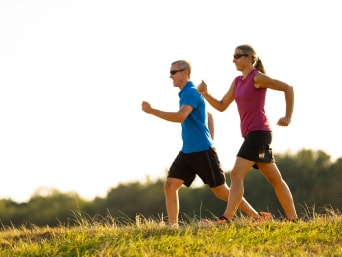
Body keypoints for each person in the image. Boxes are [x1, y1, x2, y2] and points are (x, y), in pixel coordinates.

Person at [141, 60, 270, 227]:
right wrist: (211, 137)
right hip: (188, 151)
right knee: (170, 185)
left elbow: (181, 116)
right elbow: (208, 114)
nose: (170, 76)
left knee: (221, 191)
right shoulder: (185, 93)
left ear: (185, 72)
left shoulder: (191, 92)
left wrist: (152, 111)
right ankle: (173, 227)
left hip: (202, 151)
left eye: (173, 72)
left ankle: (256, 216)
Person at [197, 45, 298, 223]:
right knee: (275, 178)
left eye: (238, 56)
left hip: (259, 133)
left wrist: (288, 117)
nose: (234, 60)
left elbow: (288, 88)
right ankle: (294, 219)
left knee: (236, 174)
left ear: (251, 58)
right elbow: (221, 106)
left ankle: (226, 218)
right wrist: (205, 94)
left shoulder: (257, 78)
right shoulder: (237, 82)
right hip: (254, 135)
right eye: (233, 56)